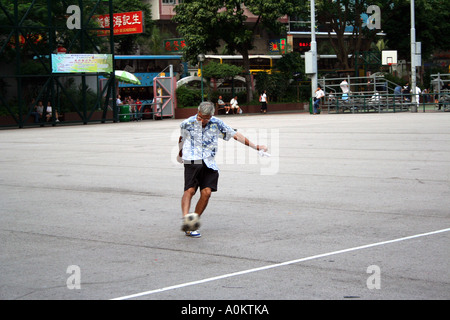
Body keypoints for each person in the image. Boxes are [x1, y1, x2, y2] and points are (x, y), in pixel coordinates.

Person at [178, 101, 268, 237]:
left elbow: (235, 135)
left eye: (205, 118)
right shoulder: (187, 123)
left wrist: (256, 147)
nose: (202, 121)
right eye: (200, 117)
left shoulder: (217, 123)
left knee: (207, 193)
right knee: (189, 190)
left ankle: (192, 222)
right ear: (197, 112)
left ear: (211, 116)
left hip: (209, 161)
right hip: (192, 158)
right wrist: (180, 152)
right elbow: (182, 138)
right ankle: (186, 219)